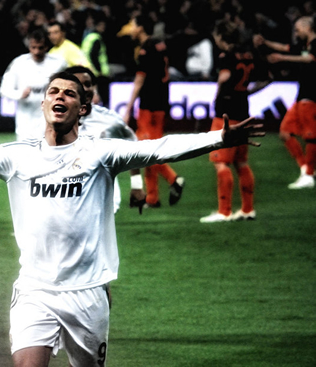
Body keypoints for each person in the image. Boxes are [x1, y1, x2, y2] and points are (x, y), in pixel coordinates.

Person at [0, 71, 263, 367]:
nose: (60, 97)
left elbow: (160, 148)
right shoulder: (17, 155)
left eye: (70, 93)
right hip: (35, 291)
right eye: (53, 91)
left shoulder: (102, 153)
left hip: (87, 294)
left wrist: (220, 137)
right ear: (44, 103)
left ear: (83, 109)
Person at [200, 19, 271, 223]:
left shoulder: (226, 56)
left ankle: (224, 212)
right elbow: (268, 78)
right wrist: (247, 92)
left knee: (221, 162)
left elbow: (224, 77)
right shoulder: (249, 55)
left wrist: (218, 95)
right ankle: (248, 209)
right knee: (241, 161)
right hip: (243, 111)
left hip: (226, 114)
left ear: (221, 37)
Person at [65, 65, 146, 214]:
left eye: (88, 84)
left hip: (104, 196)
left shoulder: (109, 120)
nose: (85, 89)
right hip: (64, 195)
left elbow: (132, 146)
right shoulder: (52, 121)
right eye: (79, 84)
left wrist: (136, 184)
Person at [123, 14, 185, 208]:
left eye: (133, 25)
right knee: (151, 150)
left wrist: (128, 108)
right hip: (161, 103)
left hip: (148, 106)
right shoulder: (160, 44)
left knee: (147, 151)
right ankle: (152, 198)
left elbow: (139, 81)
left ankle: (174, 179)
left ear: (141, 28)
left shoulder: (145, 49)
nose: (130, 28)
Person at [253, 15, 316, 189]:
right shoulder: (304, 45)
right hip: (301, 96)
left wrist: (282, 58)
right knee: (285, 132)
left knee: (311, 137)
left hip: (312, 96)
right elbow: (286, 47)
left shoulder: (315, 45)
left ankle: (309, 174)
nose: (296, 33)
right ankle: (305, 168)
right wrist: (266, 43)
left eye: (298, 29)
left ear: (307, 27)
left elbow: (310, 59)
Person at [0, 28, 68, 140]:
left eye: (40, 48)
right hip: (26, 121)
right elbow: (4, 90)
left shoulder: (59, 63)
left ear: (46, 47)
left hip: (51, 118)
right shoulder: (19, 64)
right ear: (29, 46)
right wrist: (19, 94)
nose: (37, 52)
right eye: (33, 47)